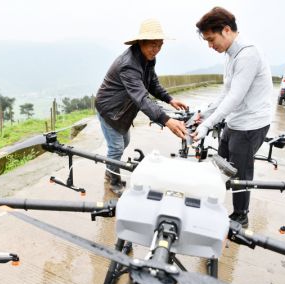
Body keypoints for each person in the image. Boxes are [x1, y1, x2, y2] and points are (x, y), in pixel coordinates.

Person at [192, 7, 273, 228]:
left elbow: (235, 97)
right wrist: (205, 114)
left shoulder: (248, 54)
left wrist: (208, 125)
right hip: (235, 121)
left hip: (250, 124)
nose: (210, 46)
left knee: (240, 171)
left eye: (211, 39)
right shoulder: (230, 54)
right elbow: (226, 92)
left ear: (226, 30)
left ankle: (240, 216)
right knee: (221, 165)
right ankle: (214, 203)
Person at [95, 18, 188, 196]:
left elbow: (152, 83)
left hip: (122, 110)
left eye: (160, 45)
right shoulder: (128, 64)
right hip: (109, 110)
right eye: (153, 45)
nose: (157, 49)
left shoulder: (148, 58)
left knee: (124, 142)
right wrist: (166, 120)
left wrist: (169, 99)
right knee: (116, 147)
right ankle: (112, 180)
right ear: (141, 42)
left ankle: (110, 170)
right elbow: (142, 98)